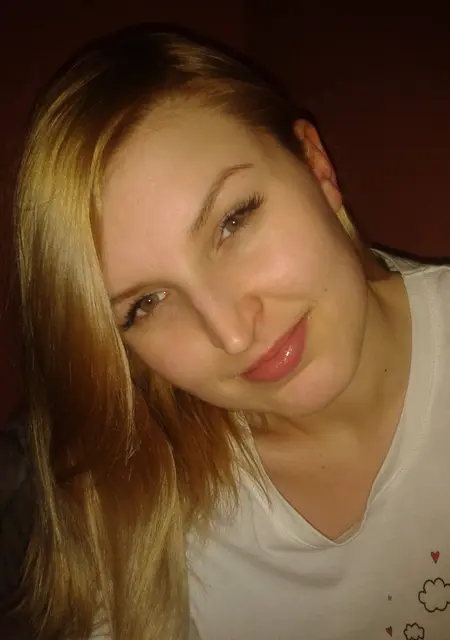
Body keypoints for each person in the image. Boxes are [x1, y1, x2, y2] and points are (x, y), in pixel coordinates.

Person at [14, 23, 450, 640]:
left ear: (316, 166)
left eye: (233, 221)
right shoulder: (138, 514)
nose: (233, 334)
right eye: (146, 304)